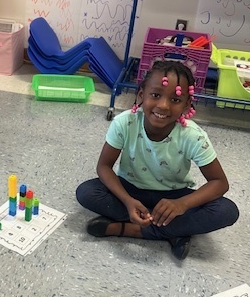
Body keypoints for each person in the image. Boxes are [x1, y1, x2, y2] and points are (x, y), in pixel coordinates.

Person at [76, 60, 239, 260]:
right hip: (130, 188)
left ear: (187, 105)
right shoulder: (124, 123)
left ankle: (131, 229)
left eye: (176, 100)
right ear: (141, 95)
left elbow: (220, 183)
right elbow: (104, 166)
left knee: (226, 210)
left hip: (174, 194)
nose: (163, 105)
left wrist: (182, 204)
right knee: (87, 192)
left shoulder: (193, 135)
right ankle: (172, 232)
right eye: (155, 95)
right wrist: (128, 201)